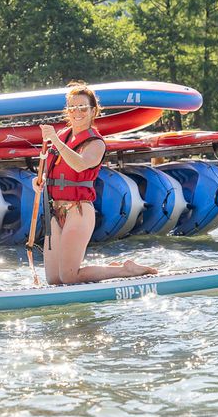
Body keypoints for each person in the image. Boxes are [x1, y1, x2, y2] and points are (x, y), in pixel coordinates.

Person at [33, 82, 158, 285]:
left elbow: (80, 164)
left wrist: (55, 140)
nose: (77, 112)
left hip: (79, 211)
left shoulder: (96, 143)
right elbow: (49, 172)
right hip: (54, 212)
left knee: (69, 277)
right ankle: (114, 268)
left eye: (83, 107)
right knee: (54, 279)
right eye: (73, 108)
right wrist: (37, 183)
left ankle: (127, 271)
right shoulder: (63, 137)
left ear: (93, 111)